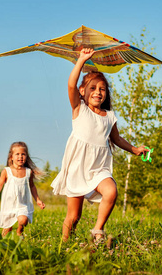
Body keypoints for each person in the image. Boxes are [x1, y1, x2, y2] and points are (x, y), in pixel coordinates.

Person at [51, 48, 149, 242]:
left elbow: (117, 139)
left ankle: (98, 231)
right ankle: (64, 245)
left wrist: (135, 149)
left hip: (99, 167)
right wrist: (81, 60)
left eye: (102, 89)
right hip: (78, 167)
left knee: (111, 191)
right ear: (82, 91)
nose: (98, 92)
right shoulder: (80, 108)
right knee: (74, 216)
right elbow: (71, 85)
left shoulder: (109, 116)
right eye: (93, 88)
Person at [0, 141, 46, 237]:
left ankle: (19, 231)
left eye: (23, 154)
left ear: (26, 156)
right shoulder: (7, 171)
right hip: (9, 204)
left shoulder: (28, 172)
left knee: (23, 220)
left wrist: (38, 200)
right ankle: (4, 247)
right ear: (11, 157)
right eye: (17, 154)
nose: (20, 157)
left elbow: (32, 186)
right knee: (7, 230)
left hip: (23, 204)